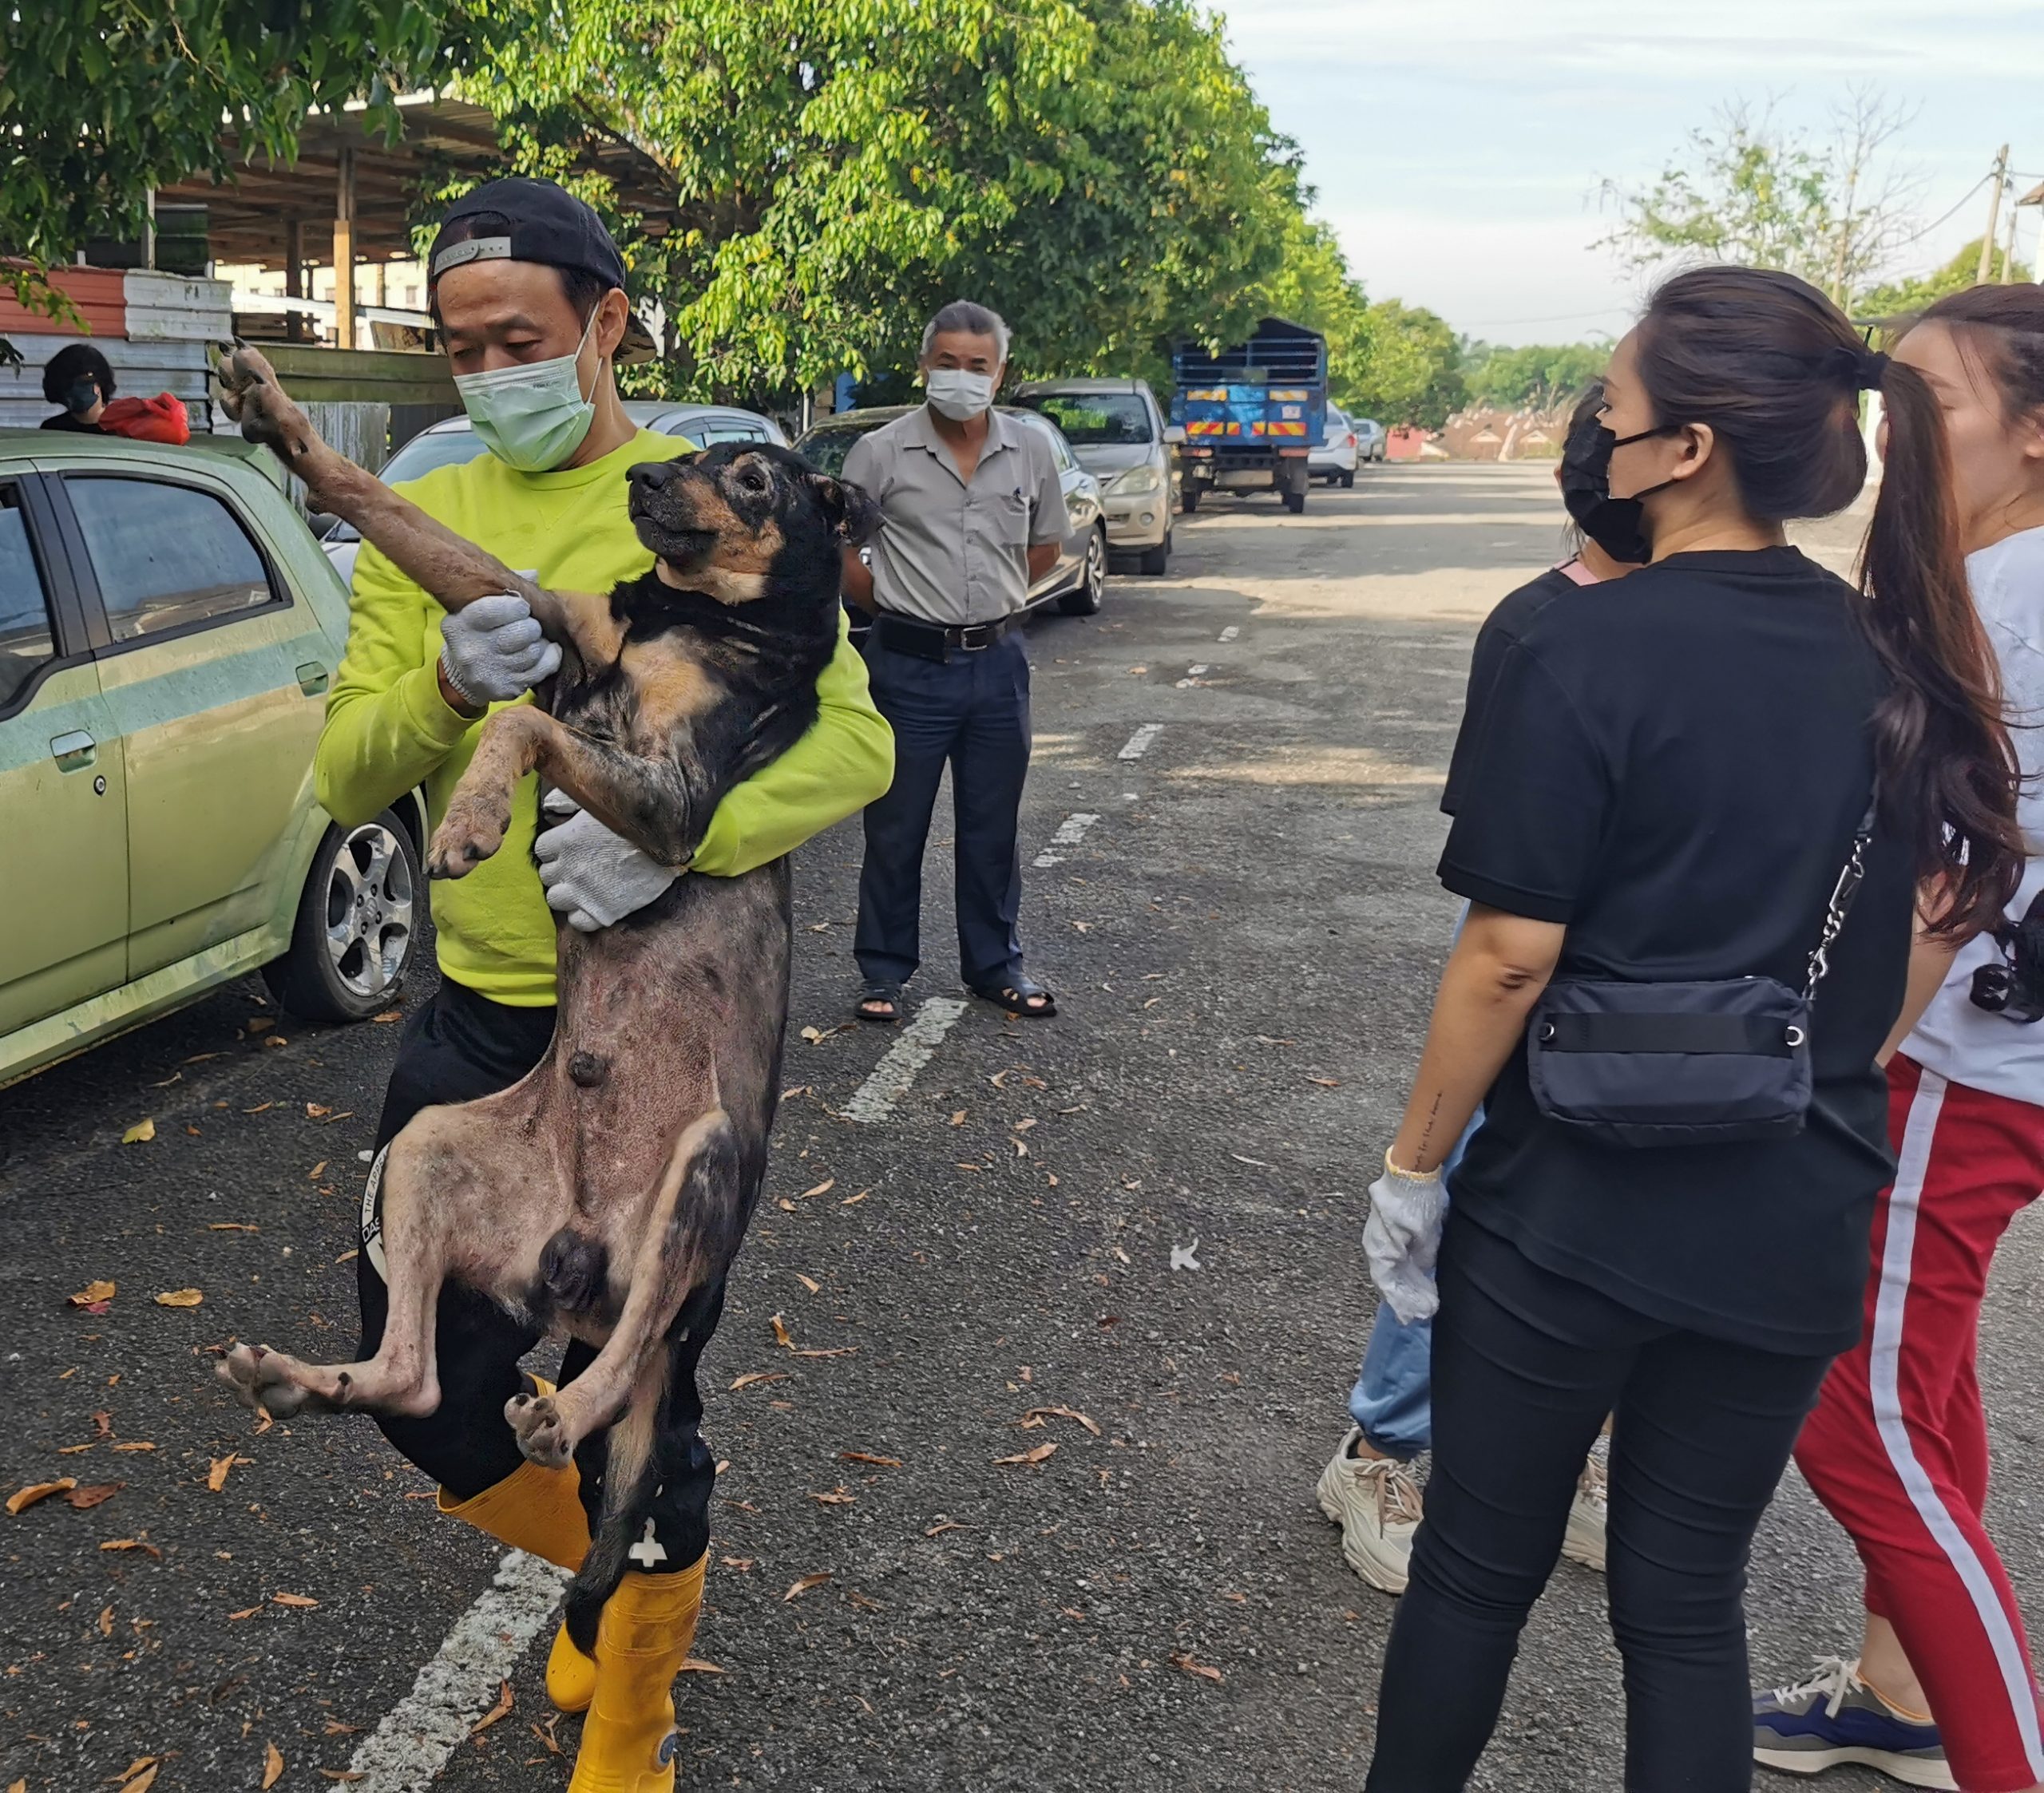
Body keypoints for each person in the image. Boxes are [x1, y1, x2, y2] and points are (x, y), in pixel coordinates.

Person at [1356, 265, 2022, 1793]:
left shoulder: (1572, 645)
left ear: (1690, 448)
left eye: (1618, 401)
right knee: (1684, 1602)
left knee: (1474, 1574)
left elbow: (1511, 956)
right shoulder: (1910, 661)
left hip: (1570, 1206)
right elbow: (1927, 932)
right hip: (1795, 1211)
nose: (1598, 423)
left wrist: (1413, 1168)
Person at [313, 176, 893, 1793]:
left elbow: (857, 734)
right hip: (485, 1015)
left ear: (607, 322)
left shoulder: (705, 504)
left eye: (519, 334)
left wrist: (682, 844)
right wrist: (439, 683)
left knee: (633, 1383)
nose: (485, 363)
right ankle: (616, 1557)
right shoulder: (420, 510)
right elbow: (353, 770)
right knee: (418, 1385)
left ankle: (631, 1706)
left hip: (661, 1037)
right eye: (455, 340)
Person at [1754, 283, 2044, 1793]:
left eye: (1929, 398)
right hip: (2002, 1057)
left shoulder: (1995, 600)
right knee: (1922, 1387)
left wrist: (1854, 1051)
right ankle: (1896, 1696)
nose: (1893, 424)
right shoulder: (1999, 576)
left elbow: (1948, 874)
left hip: (1963, 1066)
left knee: (1855, 1426)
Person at [1318, 382, 1641, 1594]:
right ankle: (1386, 1441)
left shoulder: (1742, 617)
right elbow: (1505, 928)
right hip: (1549, 954)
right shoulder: (1543, 627)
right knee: (1454, 1193)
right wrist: (1410, 1157)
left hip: (1672, 987)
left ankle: (1586, 1447)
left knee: (1611, 1214)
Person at [840, 299, 1068, 1024]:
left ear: (1000, 373)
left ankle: (996, 965)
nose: (962, 378)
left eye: (979, 366)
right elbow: (841, 550)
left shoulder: (1030, 450)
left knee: (992, 825)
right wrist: (895, 605)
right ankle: (883, 971)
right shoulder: (879, 452)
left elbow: (1046, 547)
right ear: (925, 367)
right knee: (896, 826)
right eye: (949, 364)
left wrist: (990, 610)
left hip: (998, 665)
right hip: (906, 666)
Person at [40, 342, 112, 433]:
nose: (75, 389)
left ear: (100, 381)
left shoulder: (124, 429)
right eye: (68, 384)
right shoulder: (53, 429)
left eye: (85, 379)